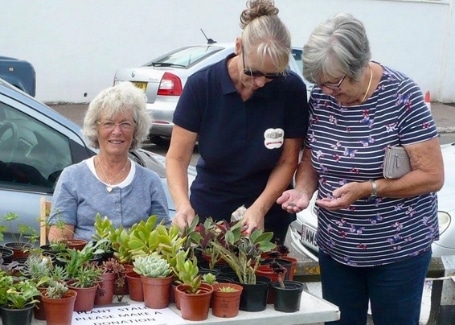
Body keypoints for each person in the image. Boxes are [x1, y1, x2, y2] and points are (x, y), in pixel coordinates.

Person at [277, 13, 444, 325]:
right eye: (320, 83)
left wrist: (369, 188)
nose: (326, 92)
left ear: (360, 65)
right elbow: (314, 153)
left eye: (334, 83)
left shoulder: (402, 96)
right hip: (336, 248)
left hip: (397, 251)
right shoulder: (324, 95)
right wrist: (303, 190)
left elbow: (432, 176)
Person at [166, 0, 309, 243]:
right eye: (253, 72)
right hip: (208, 214)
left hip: (265, 218)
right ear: (238, 46)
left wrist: (260, 208)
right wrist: (182, 206)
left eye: (272, 76)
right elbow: (177, 158)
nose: (261, 83)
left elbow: (287, 161)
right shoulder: (202, 86)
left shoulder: (291, 89)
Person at [48, 82, 170, 242]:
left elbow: (162, 238)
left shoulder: (150, 181)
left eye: (125, 124)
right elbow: (59, 240)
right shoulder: (72, 177)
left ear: (136, 129)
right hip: (84, 264)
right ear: (95, 128)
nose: (117, 131)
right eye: (108, 123)